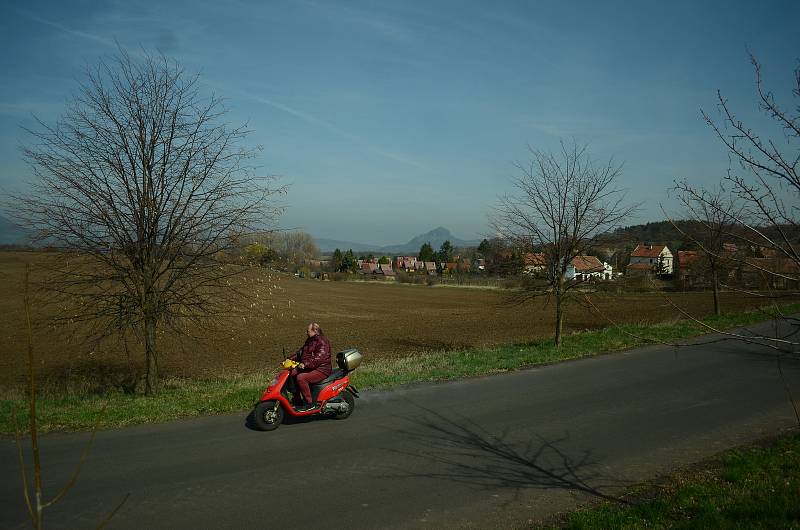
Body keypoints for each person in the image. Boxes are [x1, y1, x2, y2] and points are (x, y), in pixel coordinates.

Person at [289, 322, 332, 411]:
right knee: (292, 373)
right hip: (312, 367)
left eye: (308, 331)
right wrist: (289, 359)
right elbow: (301, 353)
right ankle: (297, 400)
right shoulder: (310, 340)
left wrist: (305, 364)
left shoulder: (322, 341)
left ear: (315, 331)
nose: (306, 333)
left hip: (322, 369)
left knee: (301, 378)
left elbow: (319, 358)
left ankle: (310, 403)